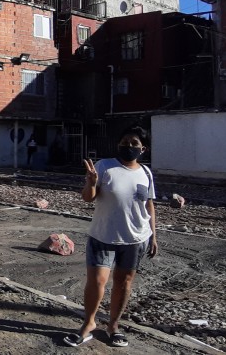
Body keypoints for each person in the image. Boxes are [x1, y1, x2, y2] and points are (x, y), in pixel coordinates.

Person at [64, 125, 158, 348]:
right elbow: (88, 198)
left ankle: (113, 325)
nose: (128, 146)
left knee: (124, 283)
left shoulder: (146, 173)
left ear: (143, 149)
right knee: (97, 282)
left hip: (136, 238)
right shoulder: (105, 166)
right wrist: (90, 181)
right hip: (103, 235)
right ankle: (89, 324)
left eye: (134, 143)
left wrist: (154, 236)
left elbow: (149, 206)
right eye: (125, 141)